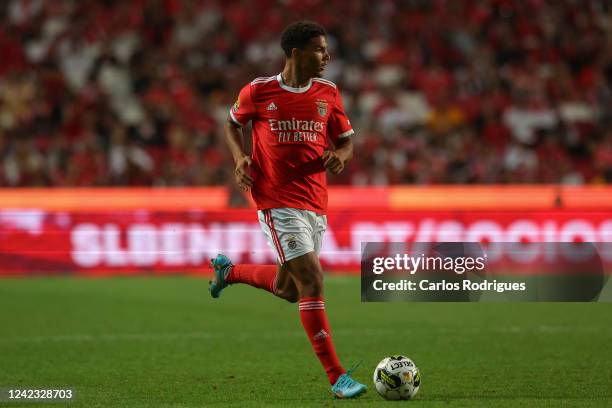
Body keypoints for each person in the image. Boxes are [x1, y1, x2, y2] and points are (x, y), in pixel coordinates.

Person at [209, 21, 366, 399]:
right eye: (320, 49)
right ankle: (337, 377)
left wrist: (340, 157)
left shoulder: (328, 92)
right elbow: (232, 125)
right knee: (312, 280)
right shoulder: (259, 91)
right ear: (296, 53)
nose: (327, 57)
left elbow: (346, 141)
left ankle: (229, 272)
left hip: (315, 201)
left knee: (289, 289)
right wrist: (240, 157)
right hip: (276, 199)